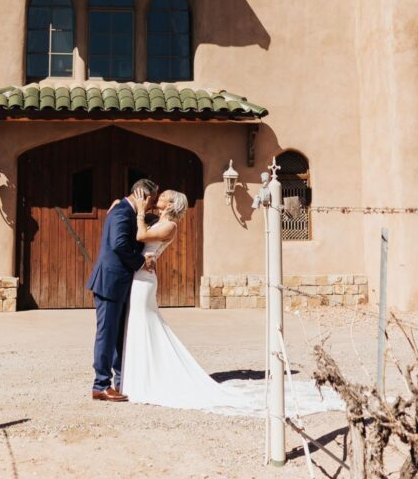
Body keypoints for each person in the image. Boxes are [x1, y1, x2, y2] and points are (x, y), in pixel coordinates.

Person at [120, 189, 345, 418]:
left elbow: (141, 236)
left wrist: (138, 211)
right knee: (140, 324)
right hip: (141, 275)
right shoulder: (160, 220)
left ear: (170, 204)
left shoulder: (170, 227)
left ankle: (145, 378)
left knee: (144, 323)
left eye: (164, 196)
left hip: (144, 281)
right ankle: (141, 374)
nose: (159, 197)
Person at [87, 177, 159, 401]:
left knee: (118, 335)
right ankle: (100, 385)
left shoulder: (125, 210)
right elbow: (119, 244)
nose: (151, 205)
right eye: (151, 200)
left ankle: (120, 380)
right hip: (110, 282)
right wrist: (140, 262)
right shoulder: (120, 213)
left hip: (119, 283)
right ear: (141, 196)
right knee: (107, 335)